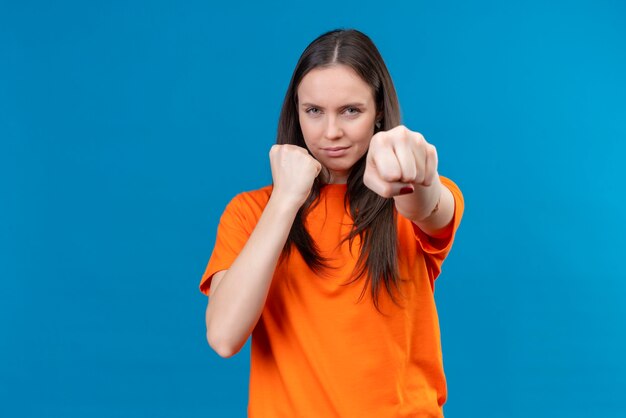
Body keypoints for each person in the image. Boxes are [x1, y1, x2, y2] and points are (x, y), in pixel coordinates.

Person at [199, 28, 464, 417]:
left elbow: (429, 206)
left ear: (377, 113)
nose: (331, 132)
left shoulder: (407, 196)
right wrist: (287, 199)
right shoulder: (252, 211)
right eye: (314, 111)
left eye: (351, 111)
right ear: (296, 112)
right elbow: (223, 336)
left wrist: (417, 175)